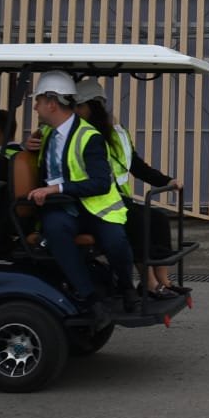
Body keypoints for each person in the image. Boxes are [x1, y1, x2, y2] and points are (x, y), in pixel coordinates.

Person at [25, 70, 138, 316]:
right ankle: (89, 297)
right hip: (62, 207)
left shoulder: (90, 137)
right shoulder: (46, 134)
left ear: (52, 103)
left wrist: (57, 188)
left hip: (95, 206)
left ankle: (127, 287)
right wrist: (26, 149)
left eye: (39, 101)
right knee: (55, 229)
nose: (35, 107)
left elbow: (100, 184)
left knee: (114, 240)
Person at [72, 78, 189, 301]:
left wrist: (168, 181)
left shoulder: (117, 131)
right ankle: (149, 284)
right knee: (138, 220)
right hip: (95, 202)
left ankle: (163, 280)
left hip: (115, 199)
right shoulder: (78, 134)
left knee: (158, 219)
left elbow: (135, 165)